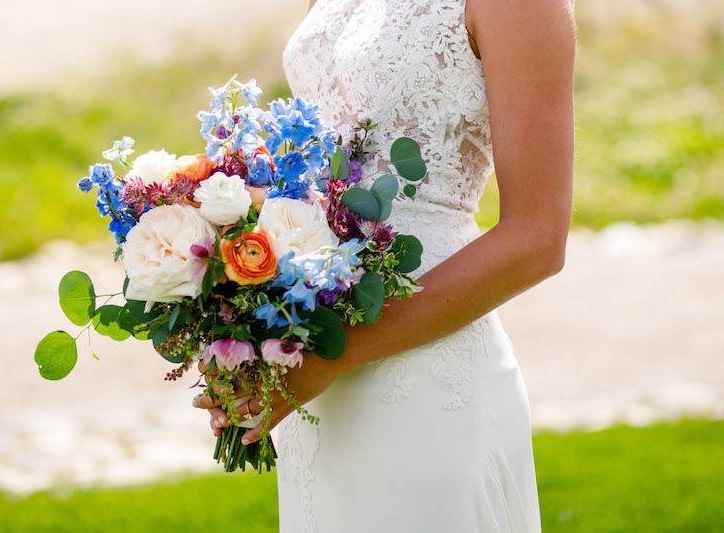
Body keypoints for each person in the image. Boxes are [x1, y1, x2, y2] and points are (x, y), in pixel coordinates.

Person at [194, 0, 576, 530]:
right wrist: (243, 316)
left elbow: (536, 239)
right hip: (317, 351)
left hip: (428, 365)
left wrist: (328, 359)